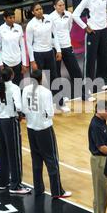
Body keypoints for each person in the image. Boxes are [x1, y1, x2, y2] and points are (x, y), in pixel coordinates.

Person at [22, 69, 72, 199]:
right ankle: (57, 191)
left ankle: (38, 189)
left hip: (31, 128)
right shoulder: (46, 92)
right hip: (44, 129)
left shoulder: (25, 90)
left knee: (36, 160)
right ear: (40, 79)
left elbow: (23, 109)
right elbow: (50, 113)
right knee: (51, 160)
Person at [0, 67, 31, 194]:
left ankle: (3, 183)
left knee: (2, 152)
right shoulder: (14, 88)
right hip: (10, 122)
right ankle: (16, 185)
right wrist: (20, 114)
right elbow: (19, 106)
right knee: (14, 154)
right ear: (11, 75)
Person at [25, 3, 70, 112]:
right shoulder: (31, 25)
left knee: (54, 77)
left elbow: (54, 35)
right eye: (36, 9)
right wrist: (32, 61)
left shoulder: (49, 19)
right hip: (38, 54)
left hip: (49, 52)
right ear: (33, 12)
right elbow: (29, 44)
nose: (39, 11)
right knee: (38, 80)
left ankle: (60, 103)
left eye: (40, 9)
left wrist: (58, 50)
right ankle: (37, 105)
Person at [49, 0, 94, 102]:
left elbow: (69, 28)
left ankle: (83, 94)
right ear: (54, 7)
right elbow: (52, 35)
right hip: (56, 49)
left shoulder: (69, 15)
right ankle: (59, 98)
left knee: (76, 71)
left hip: (67, 46)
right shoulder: (50, 18)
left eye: (63, 5)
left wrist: (66, 41)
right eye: (59, 5)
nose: (62, 7)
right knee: (56, 73)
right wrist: (58, 48)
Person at [72, 0, 107, 94]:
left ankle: (102, 82)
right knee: (90, 59)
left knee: (104, 57)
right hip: (93, 32)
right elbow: (75, 15)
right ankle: (87, 86)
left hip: (104, 31)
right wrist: (85, 27)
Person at [88, 100, 107, 213]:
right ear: (99, 111)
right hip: (100, 160)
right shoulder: (96, 125)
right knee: (101, 191)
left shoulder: (101, 122)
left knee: (101, 191)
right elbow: (102, 147)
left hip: (102, 160)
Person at [0, 9, 32, 87]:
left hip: (18, 62)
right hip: (6, 63)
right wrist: (1, 65)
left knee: (19, 86)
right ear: (5, 18)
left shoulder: (19, 28)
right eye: (10, 18)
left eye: (13, 17)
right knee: (4, 87)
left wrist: (24, 63)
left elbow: (22, 47)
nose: (12, 20)